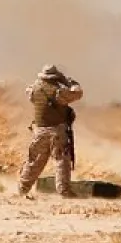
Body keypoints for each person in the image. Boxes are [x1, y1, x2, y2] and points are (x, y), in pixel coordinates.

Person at [17, 65, 83, 198]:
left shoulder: (34, 89)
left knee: (35, 160)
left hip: (39, 130)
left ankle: (23, 187)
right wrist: (71, 83)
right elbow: (77, 94)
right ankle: (64, 191)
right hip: (57, 131)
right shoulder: (58, 92)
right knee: (61, 161)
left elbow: (29, 91)